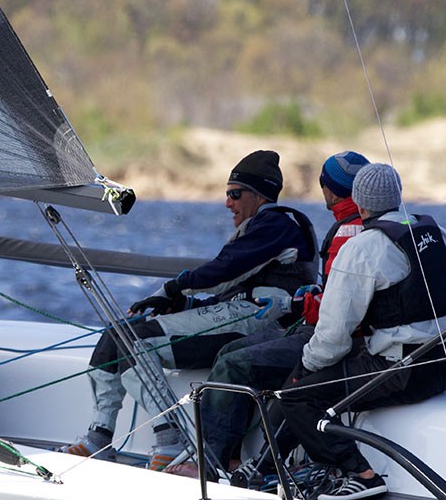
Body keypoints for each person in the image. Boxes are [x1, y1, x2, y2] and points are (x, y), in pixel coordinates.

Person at [66, 150, 319, 470]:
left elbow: (225, 270)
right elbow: (232, 287)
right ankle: (99, 438)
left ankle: (170, 440)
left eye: (235, 194)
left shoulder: (277, 222)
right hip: (236, 314)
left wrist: (170, 290)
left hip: (259, 323)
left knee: (133, 340)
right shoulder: (259, 228)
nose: (228, 202)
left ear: (258, 196)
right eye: (227, 194)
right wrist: (184, 303)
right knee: (117, 333)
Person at [279, 162, 446, 500]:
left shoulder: (361, 249)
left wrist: (306, 368)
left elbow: (332, 336)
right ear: (397, 195)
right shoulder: (440, 234)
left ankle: (359, 474)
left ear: (359, 201)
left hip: (397, 373)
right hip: (443, 367)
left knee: (297, 396)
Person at [186, 151, 370, 481]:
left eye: (234, 194)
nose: (229, 202)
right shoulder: (370, 227)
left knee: (233, 363)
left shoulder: (348, 233)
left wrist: (310, 317)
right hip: (333, 331)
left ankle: (209, 462)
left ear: (329, 189)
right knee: (229, 352)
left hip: (336, 342)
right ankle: (229, 458)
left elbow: (342, 312)